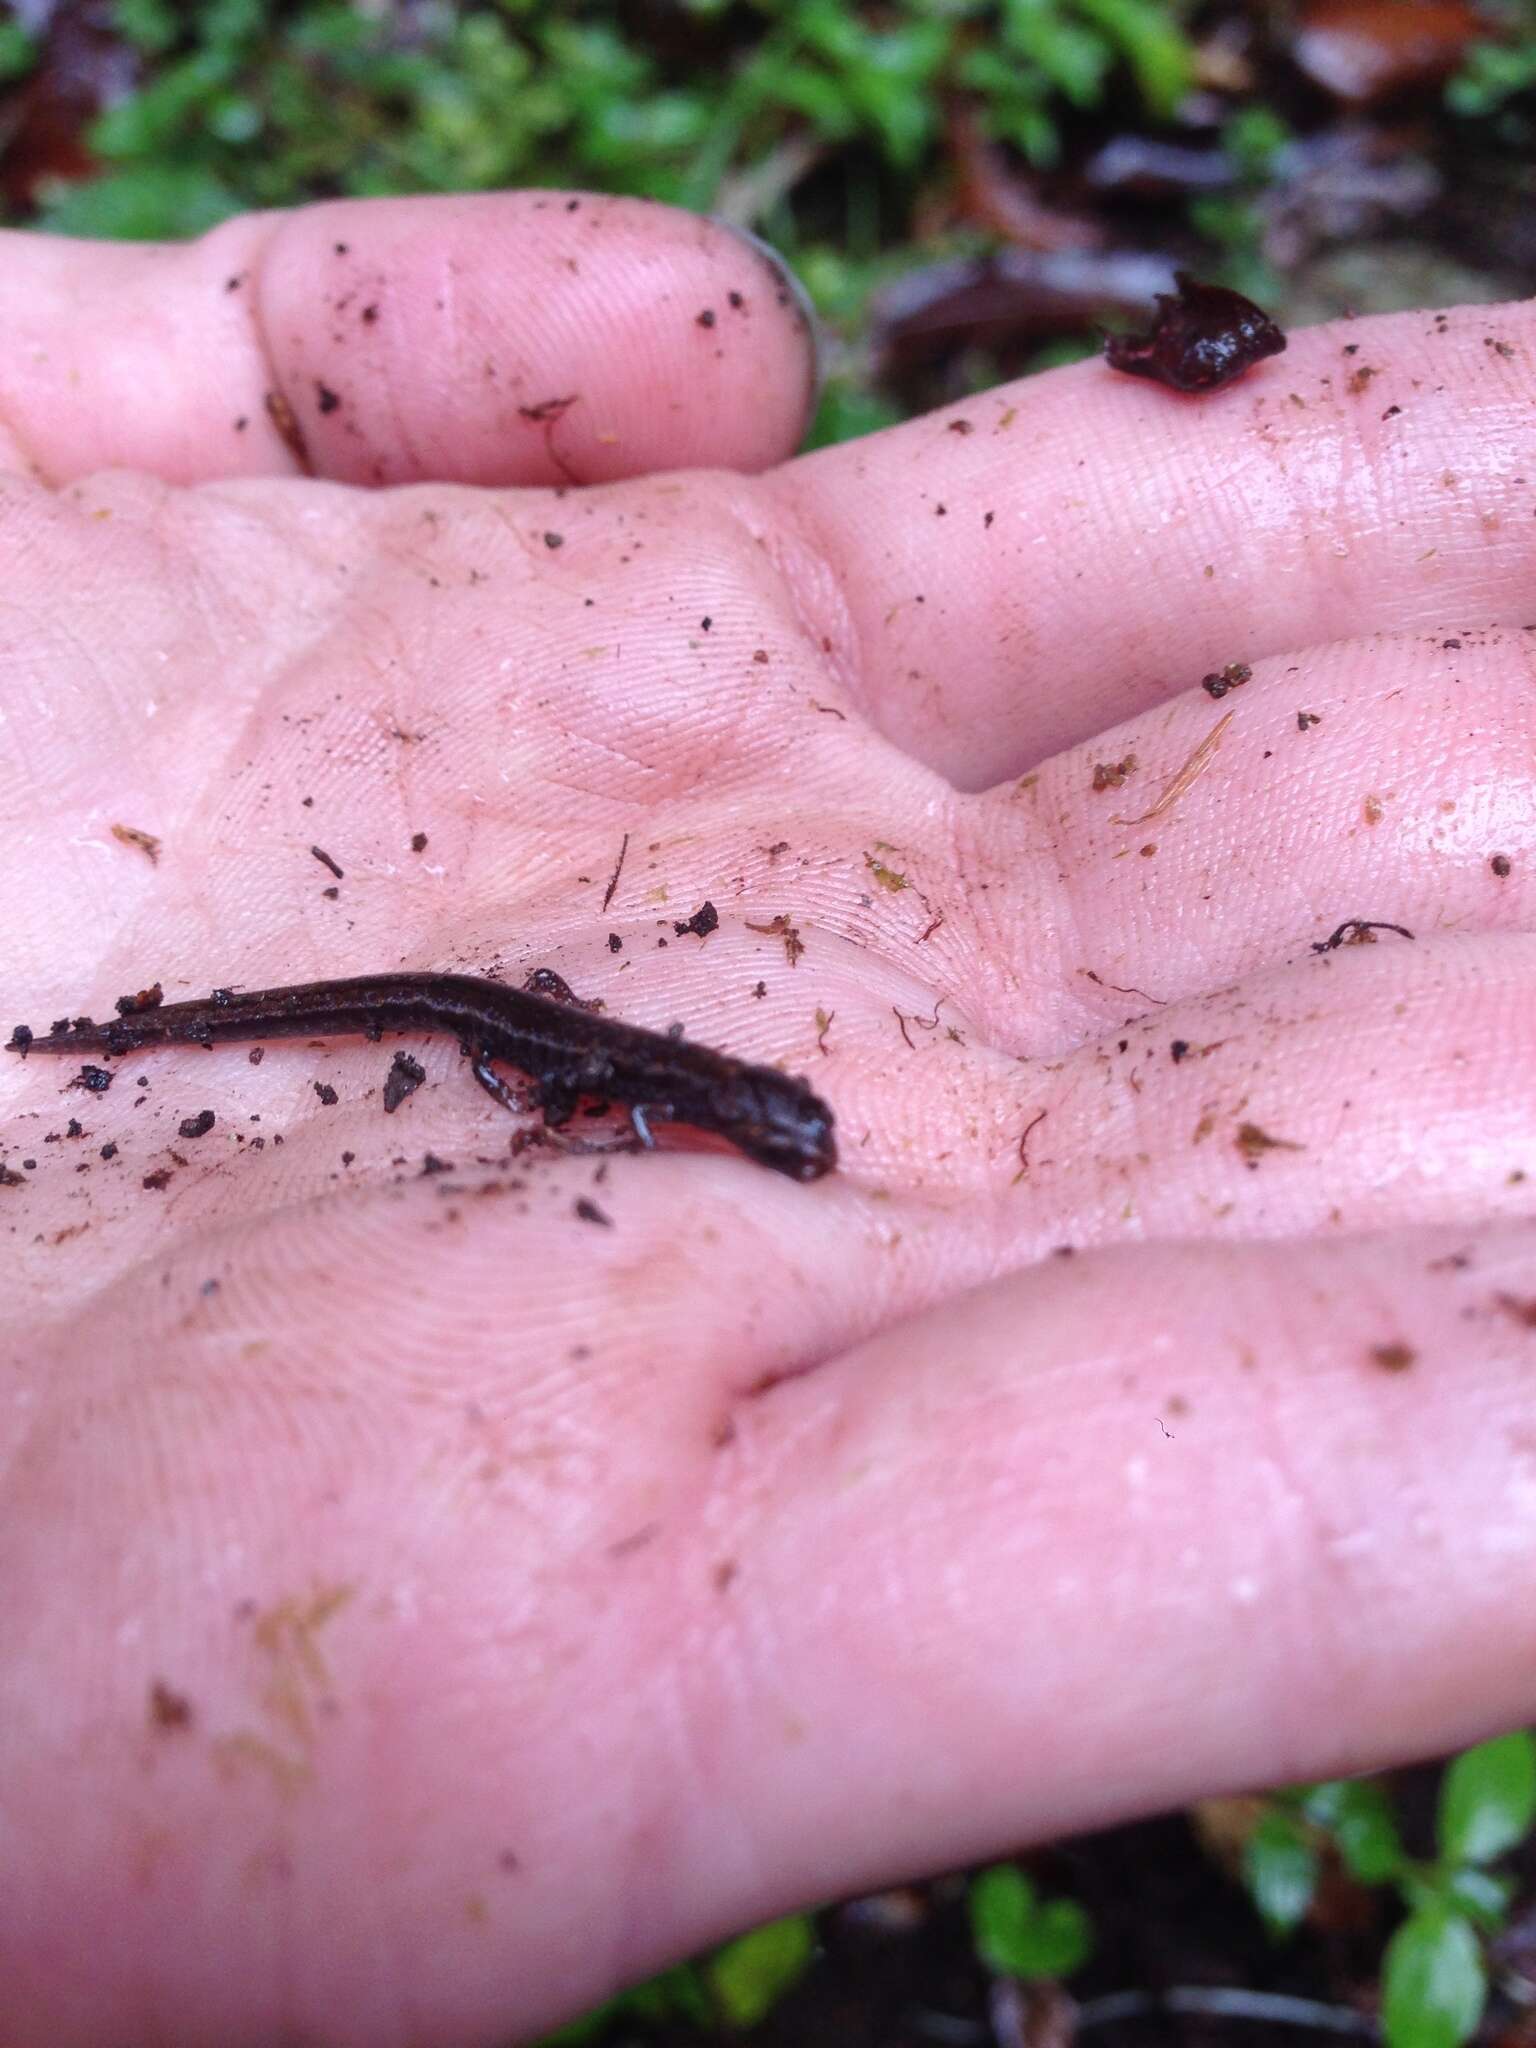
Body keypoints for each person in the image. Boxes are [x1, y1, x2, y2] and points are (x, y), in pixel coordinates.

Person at [1, 190, 1530, 2048]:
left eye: (792, 1140)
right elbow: (582, 1083)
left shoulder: (694, 1102)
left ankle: (119, 1027)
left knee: (470, 1037)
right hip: (495, 1021)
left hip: (549, 1037)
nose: (801, 1156)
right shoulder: (656, 1099)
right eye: (791, 1140)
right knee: (398, 1025)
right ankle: (98, 1027)